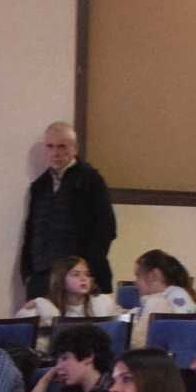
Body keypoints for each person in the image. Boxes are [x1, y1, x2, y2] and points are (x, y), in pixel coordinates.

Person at [23, 121, 119, 300]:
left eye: (62, 146)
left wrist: (86, 272)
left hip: (81, 280)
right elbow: (31, 233)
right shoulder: (39, 187)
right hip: (42, 280)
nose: (55, 152)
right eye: (50, 146)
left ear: (74, 149)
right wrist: (28, 274)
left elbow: (106, 228)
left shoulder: (91, 180)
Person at [20, 318, 118, 392]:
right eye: (57, 360)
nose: (58, 366)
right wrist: (44, 382)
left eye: (65, 358)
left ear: (88, 357)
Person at [23, 258, 123, 349]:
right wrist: (39, 305)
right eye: (76, 274)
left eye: (87, 274)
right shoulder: (44, 305)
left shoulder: (102, 301)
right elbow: (23, 334)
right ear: (61, 280)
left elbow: (122, 326)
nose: (84, 278)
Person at [125, 251, 196, 348]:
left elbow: (137, 344)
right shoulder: (182, 295)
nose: (136, 283)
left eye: (138, 276)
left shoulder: (156, 303)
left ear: (154, 275)